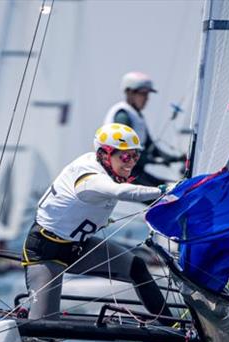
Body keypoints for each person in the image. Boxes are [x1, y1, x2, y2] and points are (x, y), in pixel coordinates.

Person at [22, 124, 174, 322]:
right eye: (125, 157)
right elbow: (122, 192)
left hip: (79, 247)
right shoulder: (90, 177)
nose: (131, 163)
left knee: (136, 267)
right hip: (46, 251)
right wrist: (166, 190)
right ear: (104, 154)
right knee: (43, 328)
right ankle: (27, 318)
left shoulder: (108, 170)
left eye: (135, 156)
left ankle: (172, 327)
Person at [103, 71, 185, 187]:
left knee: (169, 190)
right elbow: (124, 149)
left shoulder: (137, 116)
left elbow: (151, 147)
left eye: (148, 95)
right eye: (143, 94)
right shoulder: (123, 115)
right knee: (164, 194)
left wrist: (175, 158)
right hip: (121, 172)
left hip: (134, 169)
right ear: (129, 92)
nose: (146, 99)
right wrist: (154, 160)